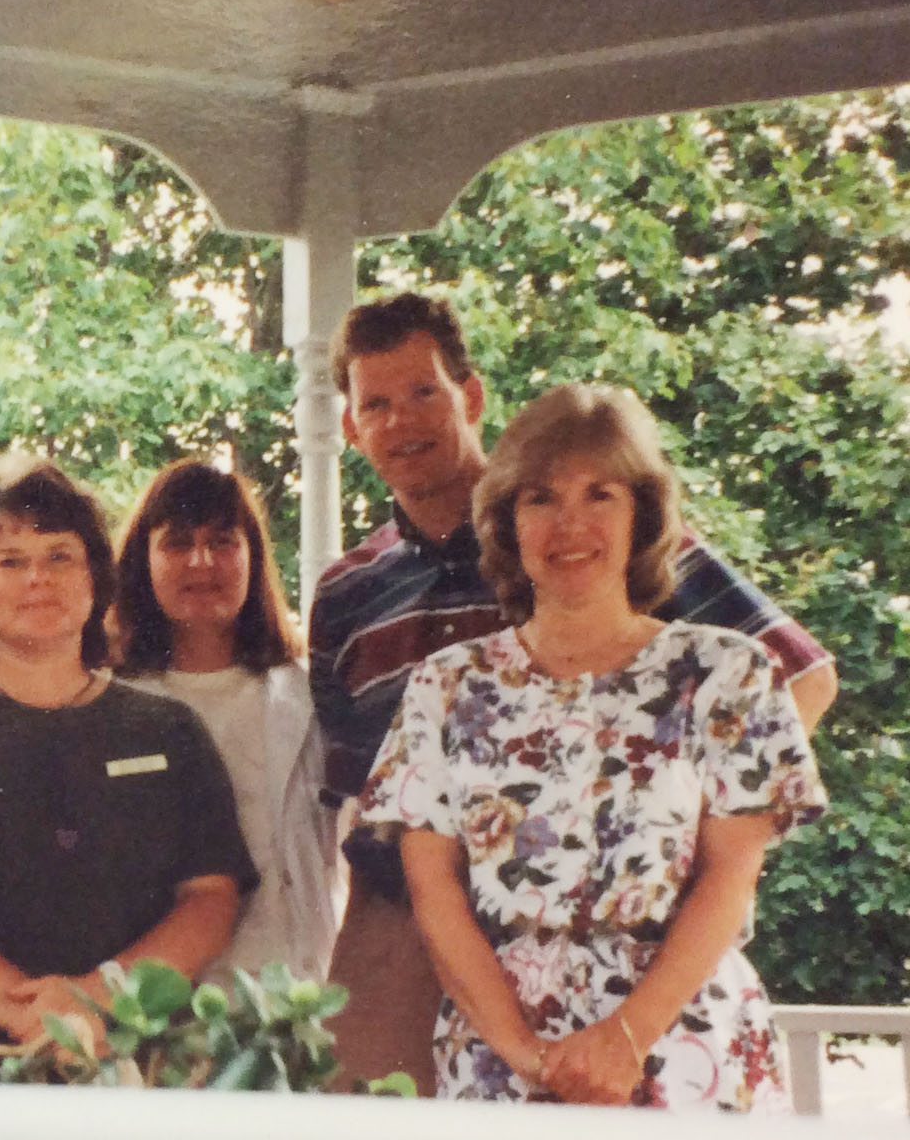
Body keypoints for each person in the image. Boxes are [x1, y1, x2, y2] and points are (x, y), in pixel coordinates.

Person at [354, 382, 821, 1140]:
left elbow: (731, 877)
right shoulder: (446, 687)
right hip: (504, 1049)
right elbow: (432, 888)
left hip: (683, 1042)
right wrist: (523, 1054)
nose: (570, 523)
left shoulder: (724, 671)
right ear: (506, 520)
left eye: (599, 494)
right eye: (541, 497)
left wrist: (625, 1037)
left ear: (643, 513)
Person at [309, 292, 835, 1093]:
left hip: (645, 955)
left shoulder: (603, 531)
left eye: (424, 392)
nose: (401, 420)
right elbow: (358, 794)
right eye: (374, 403)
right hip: (418, 920)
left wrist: (663, 822)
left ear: (471, 396)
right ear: (350, 426)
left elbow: (804, 679)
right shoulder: (348, 592)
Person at [0, 454, 256, 1042]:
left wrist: (98, 998)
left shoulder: (169, 729)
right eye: (10, 561)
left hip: (131, 1059)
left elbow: (210, 900)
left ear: (95, 577)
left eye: (60, 557)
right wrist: (44, 1019)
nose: (37, 578)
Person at [112, 459, 342, 984]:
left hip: (291, 992)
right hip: (159, 1003)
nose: (201, 561)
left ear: (253, 558)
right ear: (141, 561)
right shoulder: (111, 704)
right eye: (177, 543)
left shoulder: (308, 696)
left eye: (222, 541)